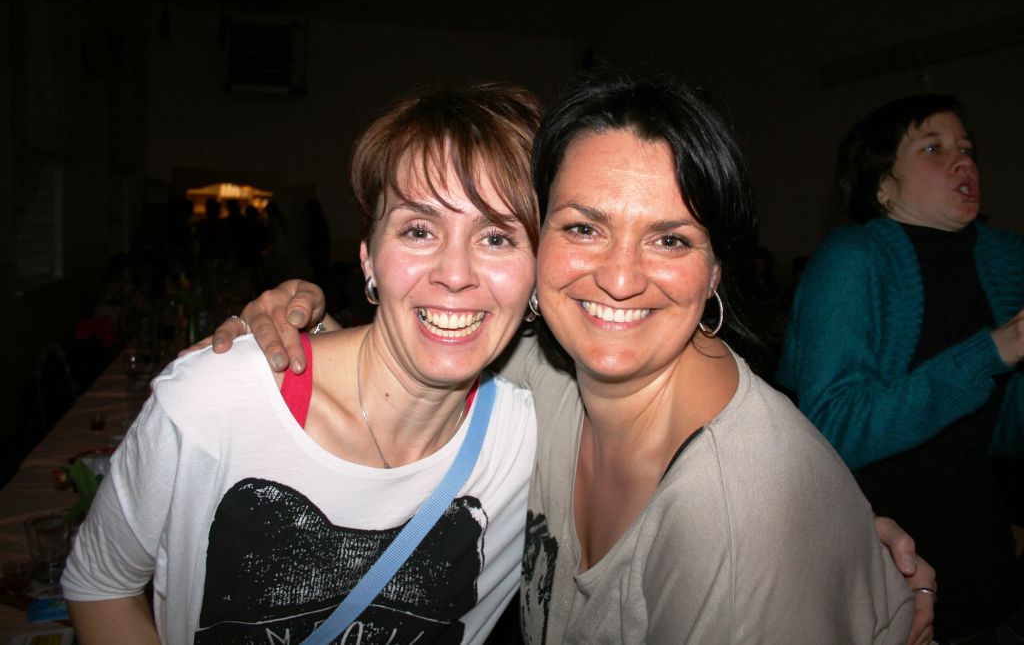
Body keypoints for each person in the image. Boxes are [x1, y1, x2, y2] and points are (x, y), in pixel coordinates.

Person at [212, 71, 937, 644]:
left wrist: (808, 537)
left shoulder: (731, 517)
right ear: (535, 244)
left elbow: (762, 522)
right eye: (584, 228)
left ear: (717, 268)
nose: (619, 279)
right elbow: (409, 374)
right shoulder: (545, 375)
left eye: (670, 239)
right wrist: (307, 327)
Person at [61, 84, 543, 644]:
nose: (454, 273)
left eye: (497, 237)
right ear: (368, 256)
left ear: (539, 271)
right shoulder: (216, 401)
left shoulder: (533, 441)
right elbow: (101, 584)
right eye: (418, 230)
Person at [776, 94, 1024, 642]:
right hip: (887, 562)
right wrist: (992, 351)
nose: (962, 161)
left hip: (986, 558)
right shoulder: (853, 257)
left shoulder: (1005, 260)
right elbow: (833, 429)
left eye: (966, 148)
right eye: (933, 148)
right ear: (883, 185)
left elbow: (1007, 434)